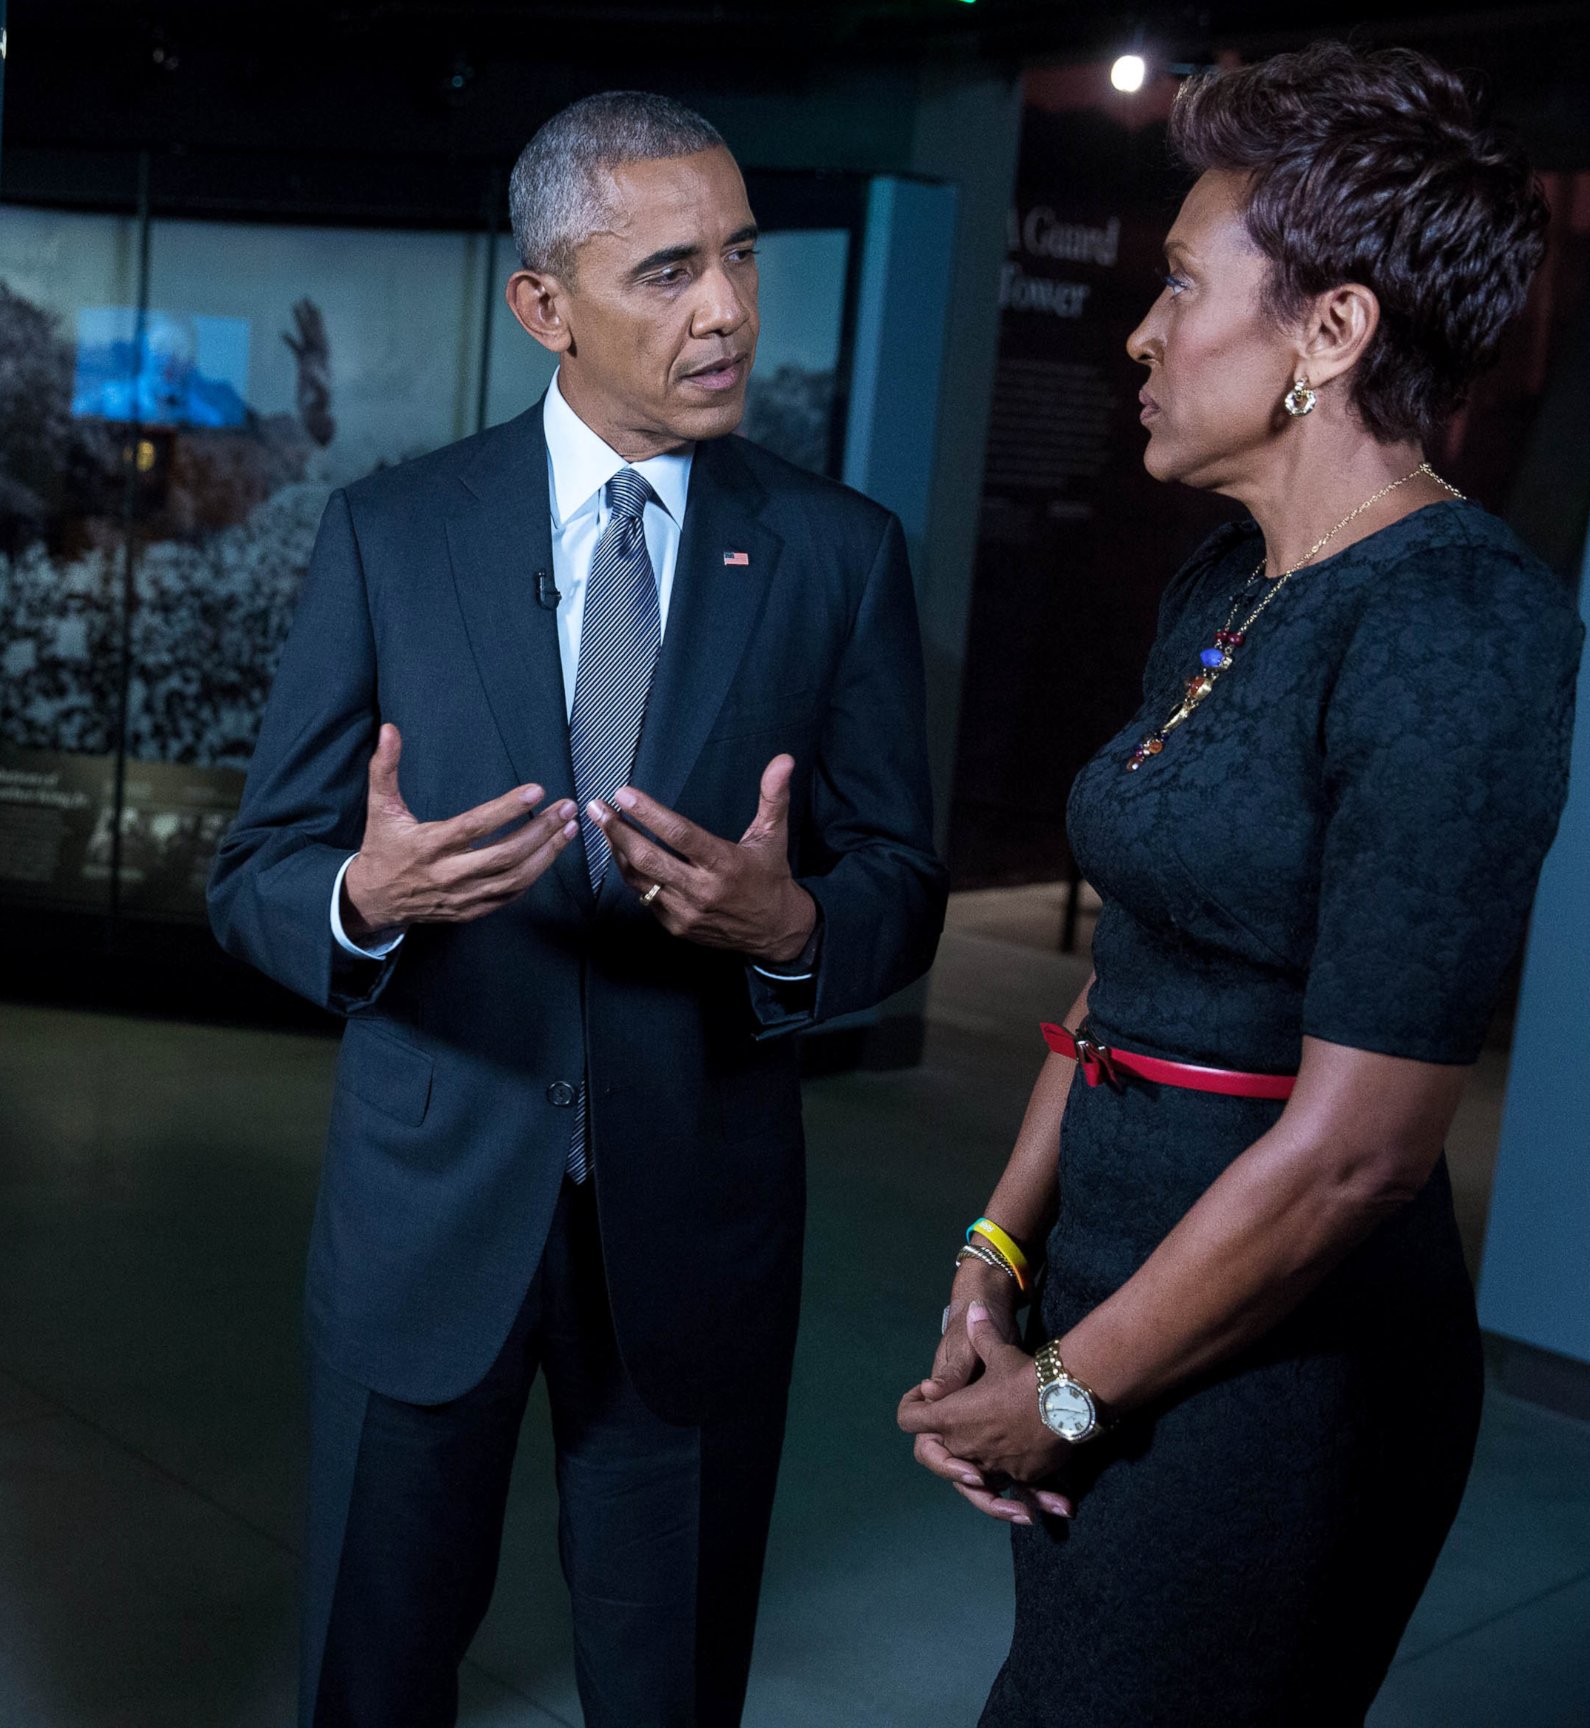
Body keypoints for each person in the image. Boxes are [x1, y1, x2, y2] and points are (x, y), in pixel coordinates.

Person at [208, 92, 945, 1726]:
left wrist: (795, 929)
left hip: (694, 1235)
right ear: (542, 302)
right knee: (368, 1674)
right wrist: (360, 895)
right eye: (670, 271)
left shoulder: (836, 555)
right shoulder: (393, 534)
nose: (729, 310)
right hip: (426, 1227)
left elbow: (902, 882)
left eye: (740, 259)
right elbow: (254, 868)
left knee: (667, 1685)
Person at [894, 44, 1579, 1727]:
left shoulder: (1452, 625)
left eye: (1180, 286)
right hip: (1104, 1295)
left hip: (1277, 1375)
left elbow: (1356, 1151)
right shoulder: (1225, 579)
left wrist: (1067, 1389)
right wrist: (1000, 1242)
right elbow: (1125, 970)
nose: (1138, 330)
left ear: (1328, 336)